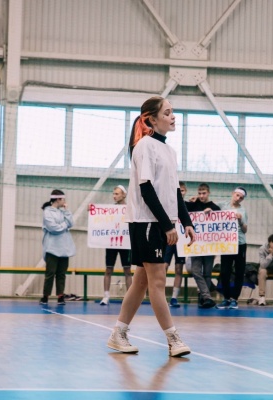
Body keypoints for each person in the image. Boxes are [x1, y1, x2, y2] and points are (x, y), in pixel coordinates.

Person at [107, 96, 195, 357]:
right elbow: (146, 189)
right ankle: (173, 339)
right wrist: (167, 226)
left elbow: (174, 192)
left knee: (141, 282)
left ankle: (118, 333)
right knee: (157, 281)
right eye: (167, 113)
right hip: (146, 223)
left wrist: (186, 222)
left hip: (159, 224)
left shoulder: (169, 151)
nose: (172, 116)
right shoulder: (144, 146)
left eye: (172, 112)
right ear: (151, 119)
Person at [187, 183, 221, 309]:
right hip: (196, 245)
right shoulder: (192, 205)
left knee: (207, 273)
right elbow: (181, 209)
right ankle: (207, 296)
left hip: (209, 246)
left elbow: (221, 225)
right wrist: (189, 201)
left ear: (208, 193)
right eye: (199, 193)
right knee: (196, 271)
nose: (201, 196)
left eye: (204, 193)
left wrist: (212, 214)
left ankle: (204, 298)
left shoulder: (215, 208)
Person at [40, 189, 75, 306]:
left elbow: (71, 223)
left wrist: (67, 211)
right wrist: (65, 224)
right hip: (52, 248)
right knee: (50, 273)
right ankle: (45, 296)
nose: (64, 201)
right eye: (63, 199)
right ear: (58, 199)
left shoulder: (62, 212)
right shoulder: (47, 212)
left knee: (61, 274)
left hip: (64, 248)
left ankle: (60, 296)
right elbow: (54, 228)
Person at [216, 186, 248, 310]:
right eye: (237, 195)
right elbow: (210, 207)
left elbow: (245, 230)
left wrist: (240, 221)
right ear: (233, 193)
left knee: (239, 272)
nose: (238, 198)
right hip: (227, 243)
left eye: (241, 197)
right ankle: (226, 298)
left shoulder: (242, 211)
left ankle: (234, 299)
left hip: (240, 244)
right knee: (225, 271)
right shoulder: (223, 205)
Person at [100, 185, 132, 305]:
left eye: (117, 194)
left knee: (127, 270)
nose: (114, 196)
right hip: (112, 243)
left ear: (124, 195)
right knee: (108, 269)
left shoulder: (130, 209)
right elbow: (99, 217)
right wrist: (91, 210)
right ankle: (106, 296)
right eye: (113, 194)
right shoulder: (110, 209)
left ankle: (130, 297)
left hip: (125, 243)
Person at [162, 181, 188, 308]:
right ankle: (161, 295)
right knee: (164, 266)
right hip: (169, 239)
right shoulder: (169, 204)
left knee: (179, 269)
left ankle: (174, 297)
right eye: (179, 190)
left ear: (185, 191)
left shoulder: (187, 205)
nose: (181, 193)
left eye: (182, 190)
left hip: (181, 242)